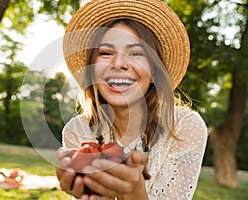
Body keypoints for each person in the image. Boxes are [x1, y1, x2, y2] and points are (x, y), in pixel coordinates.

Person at [56, 0, 208, 199]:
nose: (119, 63)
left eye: (136, 53)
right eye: (106, 53)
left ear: (154, 70)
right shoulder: (77, 131)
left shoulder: (185, 127)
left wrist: (134, 191)